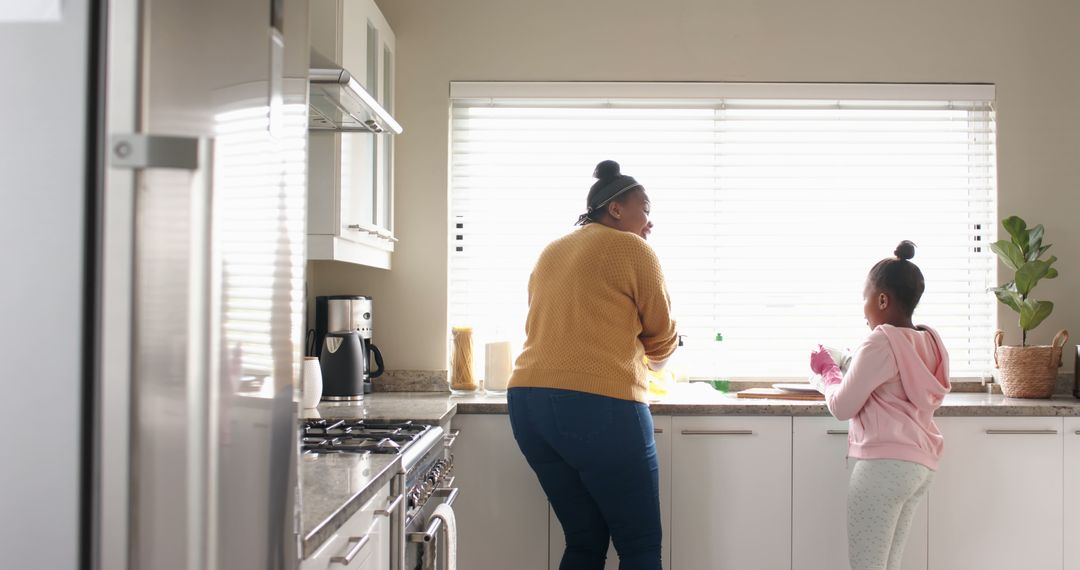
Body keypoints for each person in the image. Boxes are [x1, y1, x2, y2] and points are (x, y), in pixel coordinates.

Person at [507, 160, 679, 570]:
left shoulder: (552, 250)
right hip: (597, 404)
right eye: (646, 210)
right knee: (639, 545)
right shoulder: (634, 249)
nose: (649, 222)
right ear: (616, 209)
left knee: (585, 541)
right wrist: (658, 353)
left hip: (527, 405)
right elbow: (660, 337)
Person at [809, 240, 951, 570]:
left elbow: (841, 406)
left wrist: (825, 373)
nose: (863, 308)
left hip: (883, 468)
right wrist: (847, 362)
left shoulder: (881, 340)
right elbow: (887, 379)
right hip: (918, 466)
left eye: (865, 298)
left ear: (882, 299)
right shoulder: (928, 341)